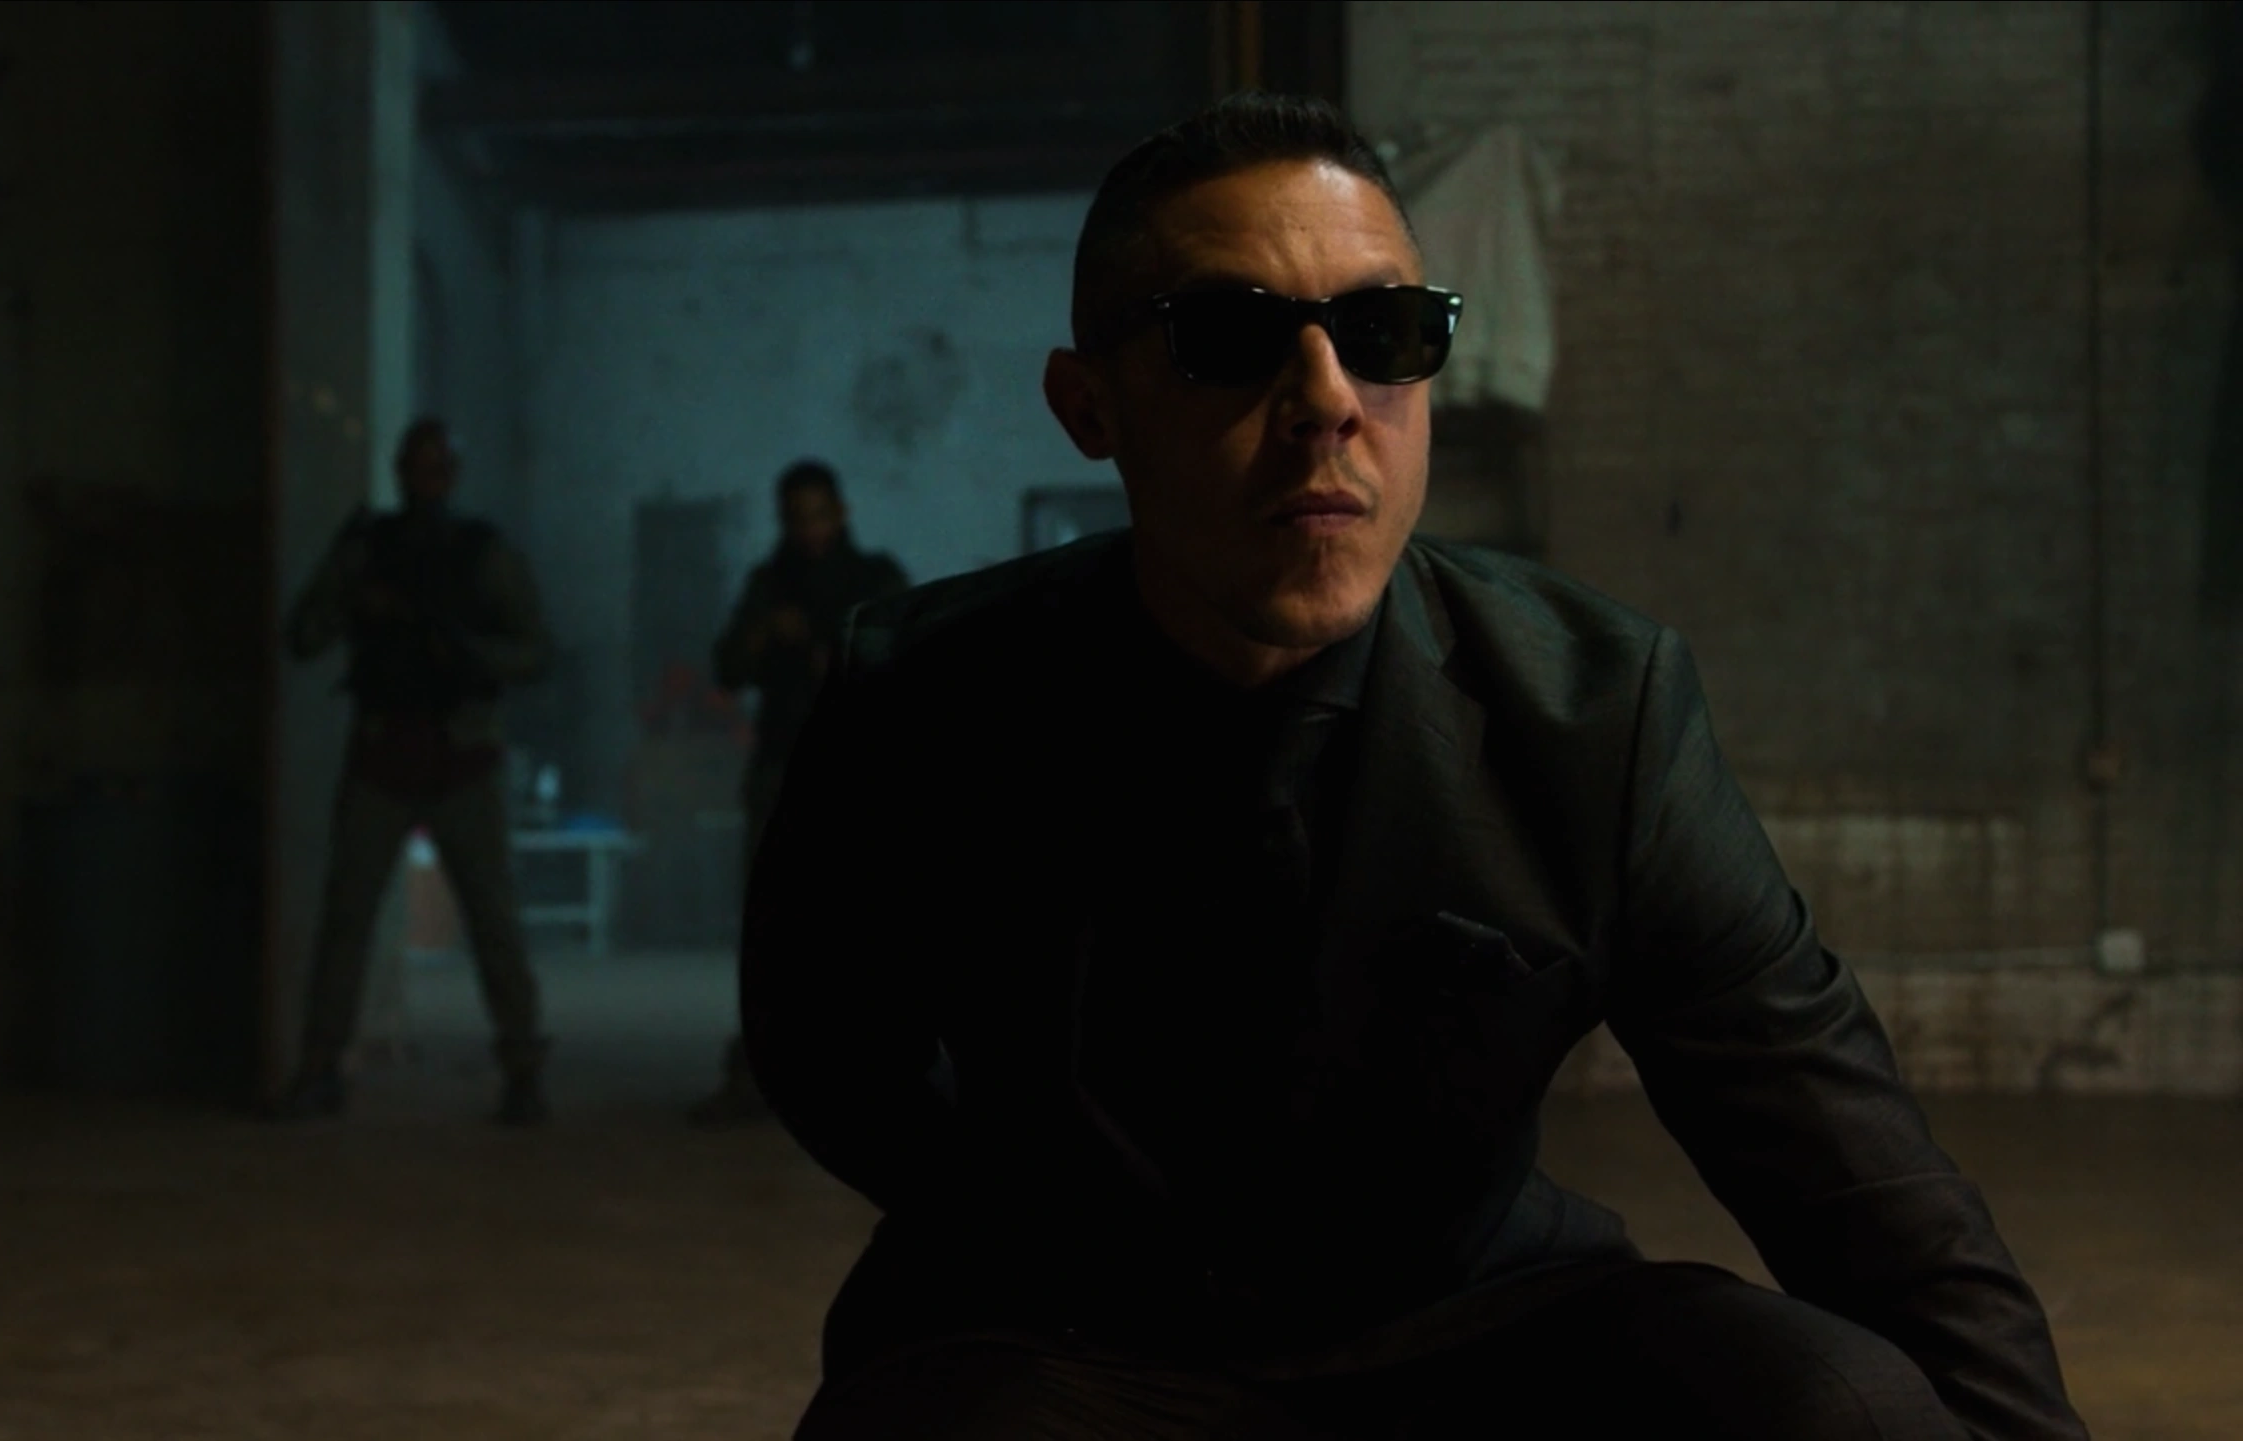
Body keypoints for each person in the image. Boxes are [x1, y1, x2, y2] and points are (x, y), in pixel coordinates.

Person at [740, 95, 2087, 1440]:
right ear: (1088, 407)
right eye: (1231, 337)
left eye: (1385, 334)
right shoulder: (922, 692)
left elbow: (1839, 1159)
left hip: (1471, 1313)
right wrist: (1030, 1220)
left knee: (1844, 1404)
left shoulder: (1593, 712)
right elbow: (827, 1050)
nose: (1328, 402)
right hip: (1077, 1323)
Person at [274, 418, 559, 1126]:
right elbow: (304, 634)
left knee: (492, 922)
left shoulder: (482, 553)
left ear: (451, 474)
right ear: (402, 470)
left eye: (438, 467)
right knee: (348, 918)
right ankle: (320, 1065)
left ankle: (522, 1067)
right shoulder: (369, 549)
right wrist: (349, 588)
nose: (427, 480)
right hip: (386, 750)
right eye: (417, 466)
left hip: (460, 752)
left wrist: (465, 655)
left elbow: (536, 650)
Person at [689, 461, 909, 1128]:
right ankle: (760, 1073)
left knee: (865, 928)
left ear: (839, 514)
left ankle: (869, 1075)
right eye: (796, 518)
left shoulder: (874, 579)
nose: (809, 530)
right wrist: (767, 632)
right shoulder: (769, 584)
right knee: (772, 929)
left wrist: (833, 651)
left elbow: (906, 661)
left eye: (818, 515)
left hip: (857, 770)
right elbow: (728, 667)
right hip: (783, 765)